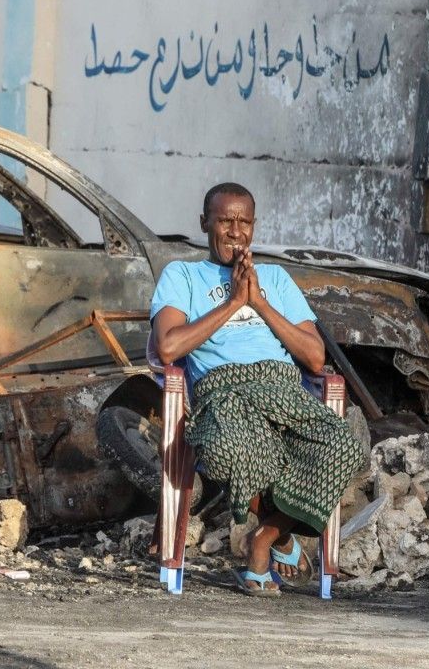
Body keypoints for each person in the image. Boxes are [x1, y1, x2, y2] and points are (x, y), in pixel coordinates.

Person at [150, 182, 364, 596]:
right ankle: (282, 540)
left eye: (243, 222)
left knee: (344, 446)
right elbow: (169, 345)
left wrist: (260, 302)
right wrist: (232, 303)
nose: (234, 231)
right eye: (224, 221)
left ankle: (264, 537)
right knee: (229, 448)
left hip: (282, 388)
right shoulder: (183, 276)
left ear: (253, 226)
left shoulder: (276, 279)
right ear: (204, 223)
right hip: (224, 392)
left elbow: (315, 357)